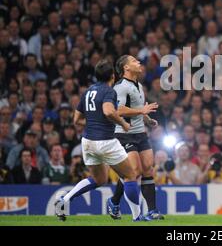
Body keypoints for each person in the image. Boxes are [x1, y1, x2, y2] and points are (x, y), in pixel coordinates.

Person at [54, 59, 144, 222]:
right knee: (131, 175)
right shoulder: (109, 91)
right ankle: (138, 217)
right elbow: (109, 111)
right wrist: (123, 123)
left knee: (99, 179)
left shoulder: (88, 91)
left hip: (88, 142)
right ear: (112, 76)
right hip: (106, 141)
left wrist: (95, 122)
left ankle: (64, 200)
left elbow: (76, 120)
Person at [107, 55, 163, 221]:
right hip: (124, 133)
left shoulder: (138, 85)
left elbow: (138, 109)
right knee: (133, 171)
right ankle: (114, 201)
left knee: (148, 168)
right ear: (126, 68)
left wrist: (148, 120)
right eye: (134, 61)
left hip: (140, 133)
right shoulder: (121, 87)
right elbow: (117, 110)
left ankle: (152, 210)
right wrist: (142, 111)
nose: (138, 62)